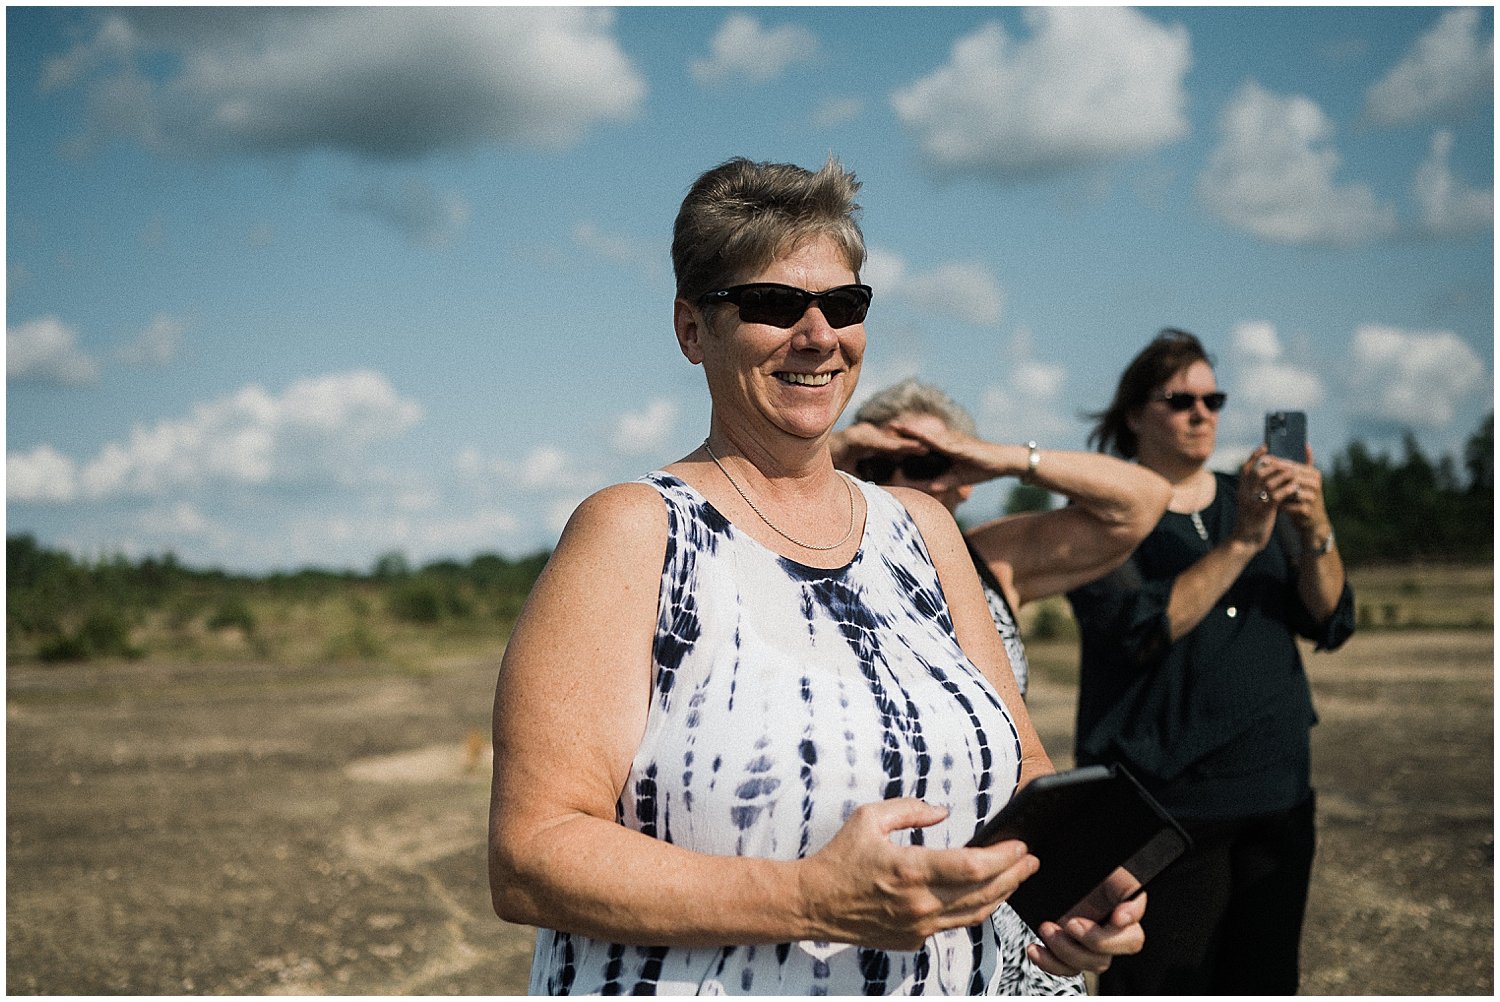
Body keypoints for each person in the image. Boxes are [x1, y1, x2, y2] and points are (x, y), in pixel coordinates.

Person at [487, 156, 1146, 995]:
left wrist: (1075, 881)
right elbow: (530, 855)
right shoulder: (636, 530)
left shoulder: (925, 531)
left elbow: (1022, 772)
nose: (817, 335)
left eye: (842, 304)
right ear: (692, 329)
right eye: (771, 303)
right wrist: (808, 900)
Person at [1066, 329, 1354, 994]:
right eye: (1180, 399)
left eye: (1213, 398)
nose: (1203, 413)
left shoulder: (1253, 497)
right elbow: (1139, 628)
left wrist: (1312, 528)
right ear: (1135, 414)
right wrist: (1243, 542)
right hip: (1161, 806)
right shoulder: (1100, 520)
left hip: (1275, 791)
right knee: (1159, 982)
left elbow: (1329, 618)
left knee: (1265, 978)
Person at [830, 379, 1170, 700]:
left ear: (964, 479)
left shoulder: (992, 559)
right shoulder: (819, 562)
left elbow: (1146, 500)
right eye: (877, 465)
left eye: (926, 464)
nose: (899, 479)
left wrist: (1006, 460)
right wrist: (836, 447)